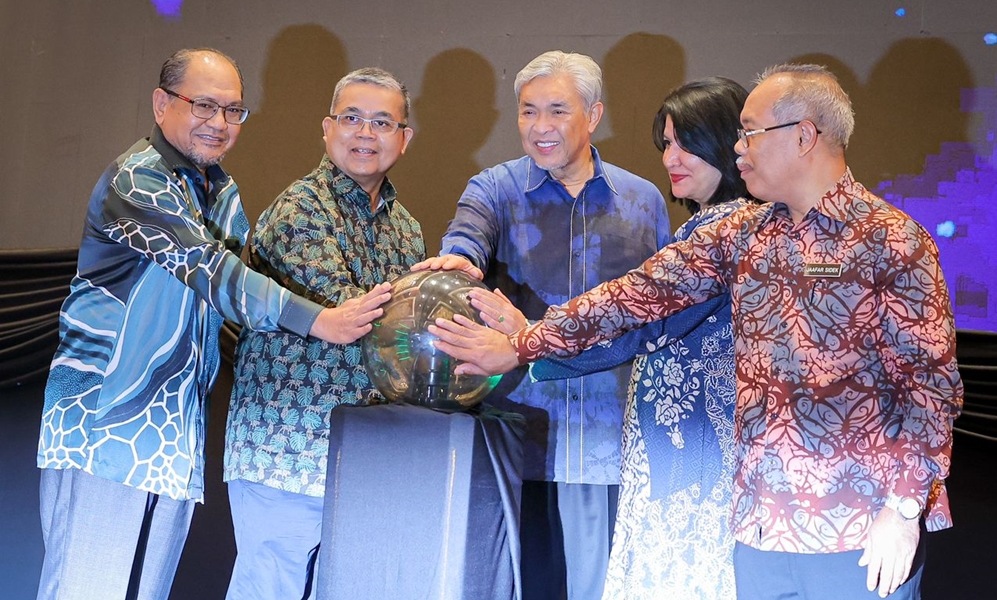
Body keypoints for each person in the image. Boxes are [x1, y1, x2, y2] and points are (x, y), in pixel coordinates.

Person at [429, 63, 963, 600]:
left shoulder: (891, 240)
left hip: (858, 527)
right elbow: (634, 298)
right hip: (759, 528)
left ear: (804, 136)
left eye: (749, 133)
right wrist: (523, 343)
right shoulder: (742, 234)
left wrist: (903, 509)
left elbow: (930, 388)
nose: (739, 149)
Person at [36, 49, 391, 600]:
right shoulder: (138, 178)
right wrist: (321, 320)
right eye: (203, 105)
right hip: (103, 425)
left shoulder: (219, 189)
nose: (219, 123)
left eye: (232, 110)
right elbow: (210, 271)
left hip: (172, 433)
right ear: (161, 104)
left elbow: (238, 300)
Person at [412, 50, 671, 600]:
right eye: (528, 111)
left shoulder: (642, 201)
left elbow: (659, 314)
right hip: (517, 437)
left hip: (608, 445)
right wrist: (460, 259)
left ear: (593, 115)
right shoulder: (495, 188)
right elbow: (466, 236)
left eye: (557, 110)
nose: (539, 127)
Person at [508, 77, 751, 600]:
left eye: (687, 144)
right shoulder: (723, 225)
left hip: (694, 446)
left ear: (729, 144)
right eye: (667, 143)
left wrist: (524, 343)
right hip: (684, 442)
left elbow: (636, 317)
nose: (671, 158)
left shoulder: (726, 228)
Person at [222, 67, 423, 600]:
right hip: (284, 448)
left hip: (364, 456)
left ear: (404, 138)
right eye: (351, 118)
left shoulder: (407, 228)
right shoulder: (301, 207)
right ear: (327, 128)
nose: (365, 133)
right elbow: (350, 310)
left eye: (382, 122)